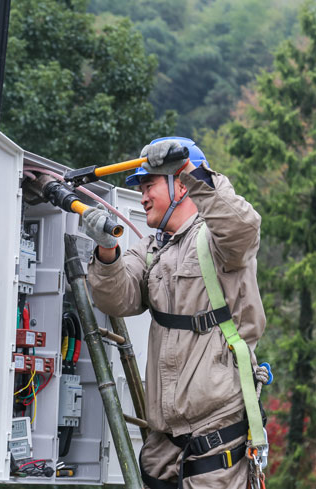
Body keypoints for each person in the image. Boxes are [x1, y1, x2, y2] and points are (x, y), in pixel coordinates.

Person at [82, 137, 266, 489]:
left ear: (180, 186)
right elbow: (116, 299)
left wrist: (189, 168)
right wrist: (107, 251)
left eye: (149, 184)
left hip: (217, 440)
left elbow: (242, 226)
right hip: (164, 445)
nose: (143, 195)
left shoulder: (218, 240)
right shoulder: (151, 249)